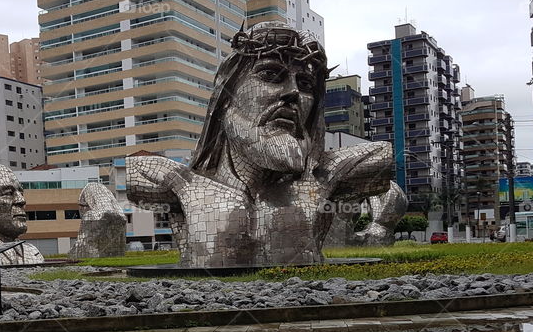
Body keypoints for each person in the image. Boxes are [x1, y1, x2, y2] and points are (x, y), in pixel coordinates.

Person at [127, 22, 394, 267]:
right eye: (270, 75)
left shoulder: (322, 176)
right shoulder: (187, 184)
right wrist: (193, 186)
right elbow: (136, 170)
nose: (293, 92)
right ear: (226, 97)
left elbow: (382, 155)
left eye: (305, 84)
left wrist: (316, 171)